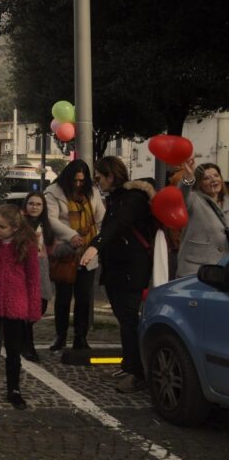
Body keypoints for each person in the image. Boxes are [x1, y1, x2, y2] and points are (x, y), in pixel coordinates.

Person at [79, 157, 155, 393]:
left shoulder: (133, 199)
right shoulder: (117, 198)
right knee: (124, 320)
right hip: (117, 269)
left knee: (130, 320)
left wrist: (94, 246)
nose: (97, 182)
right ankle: (129, 363)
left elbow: (117, 226)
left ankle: (137, 373)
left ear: (111, 176)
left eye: (99, 177)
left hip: (131, 269)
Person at [0, 204, 40, 410]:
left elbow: (33, 278)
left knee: (13, 351)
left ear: (14, 227)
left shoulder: (27, 245)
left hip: (16, 304)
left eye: (2, 227)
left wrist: (33, 307)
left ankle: (14, 389)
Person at [43, 159, 105, 351]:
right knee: (63, 297)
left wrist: (97, 242)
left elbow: (101, 217)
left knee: (84, 297)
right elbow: (51, 219)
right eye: (75, 180)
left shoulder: (92, 192)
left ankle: (80, 336)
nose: (78, 184)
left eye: (81, 181)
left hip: (88, 251)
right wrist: (71, 235)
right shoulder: (53, 192)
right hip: (66, 252)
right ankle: (60, 335)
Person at [177, 158, 228, 278]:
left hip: (223, 271)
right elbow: (181, 196)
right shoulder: (193, 199)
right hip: (196, 270)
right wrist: (188, 178)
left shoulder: (227, 202)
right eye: (206, 178)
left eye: (216, 175)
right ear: (199, 183)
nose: (213, 179)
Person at [21, 192, 56, 362]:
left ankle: (24, 342)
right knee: (27, 312)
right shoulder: (20, 224)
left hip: (42, 272)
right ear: (26, 205)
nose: (34, 207)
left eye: (38, 204)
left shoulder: (46, 225)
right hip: (23, 273)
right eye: (31, 203)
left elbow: (51, 249)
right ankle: (28, 346)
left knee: (40, 308)